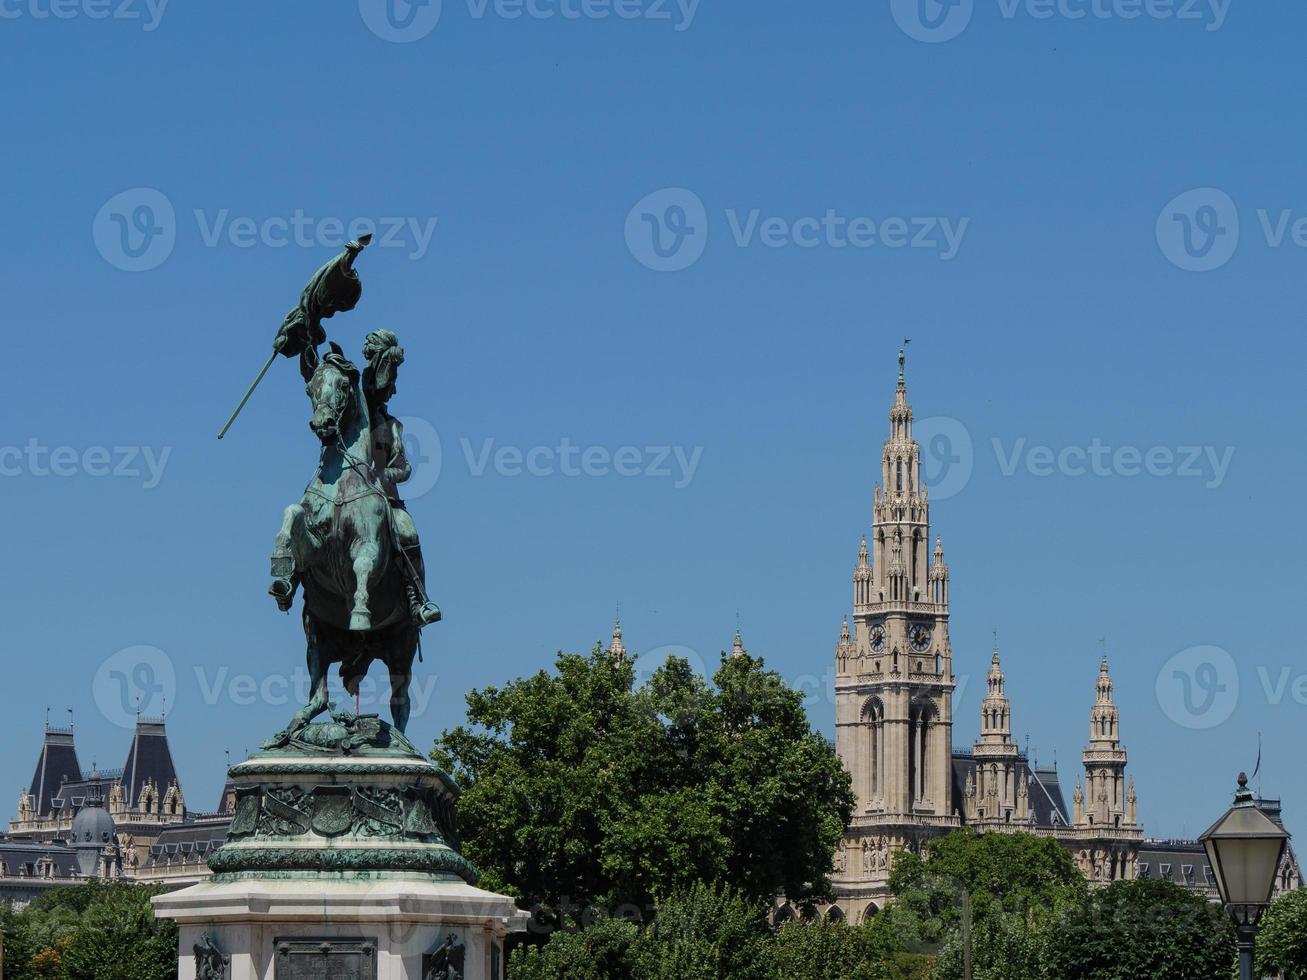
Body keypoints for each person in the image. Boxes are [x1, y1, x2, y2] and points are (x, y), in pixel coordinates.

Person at [362, 330, 441, 628]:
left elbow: (405, 468)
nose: (392, 392)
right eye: (390, 385)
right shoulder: (350, 419)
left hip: (386, 498)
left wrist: (381, 474)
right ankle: (289, 577)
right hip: (342, 492)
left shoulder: (393, 426)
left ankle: (418, 599)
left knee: (409, 533)